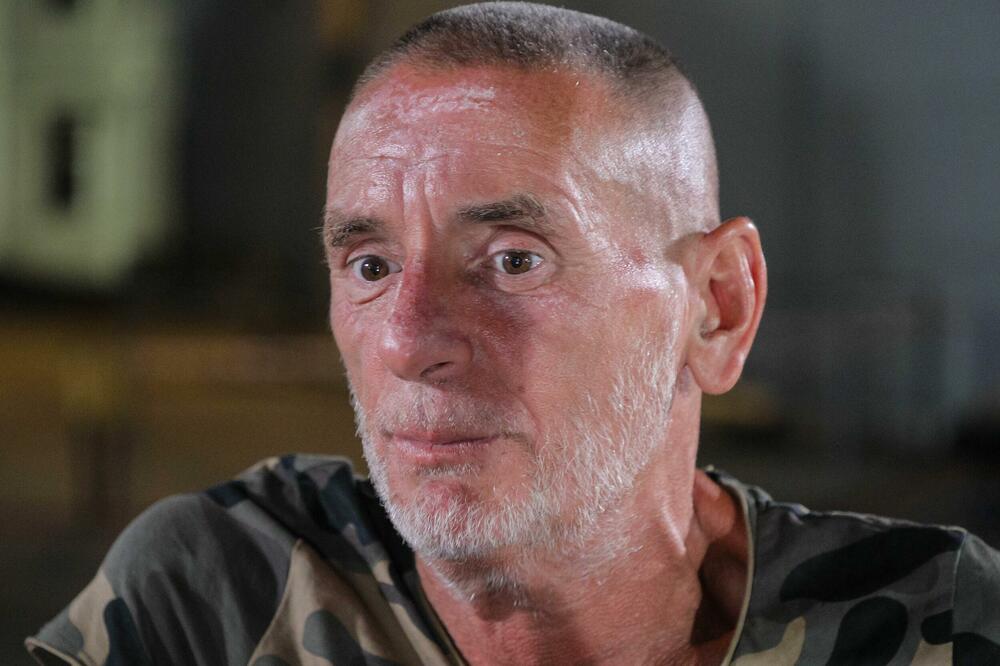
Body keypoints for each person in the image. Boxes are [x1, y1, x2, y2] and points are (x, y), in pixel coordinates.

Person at [27, 3, 1000, 665]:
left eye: (511, 260)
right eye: (369, 266)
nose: (408, 342)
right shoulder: (217, 599)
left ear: (716, 307)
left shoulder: (938, 625)